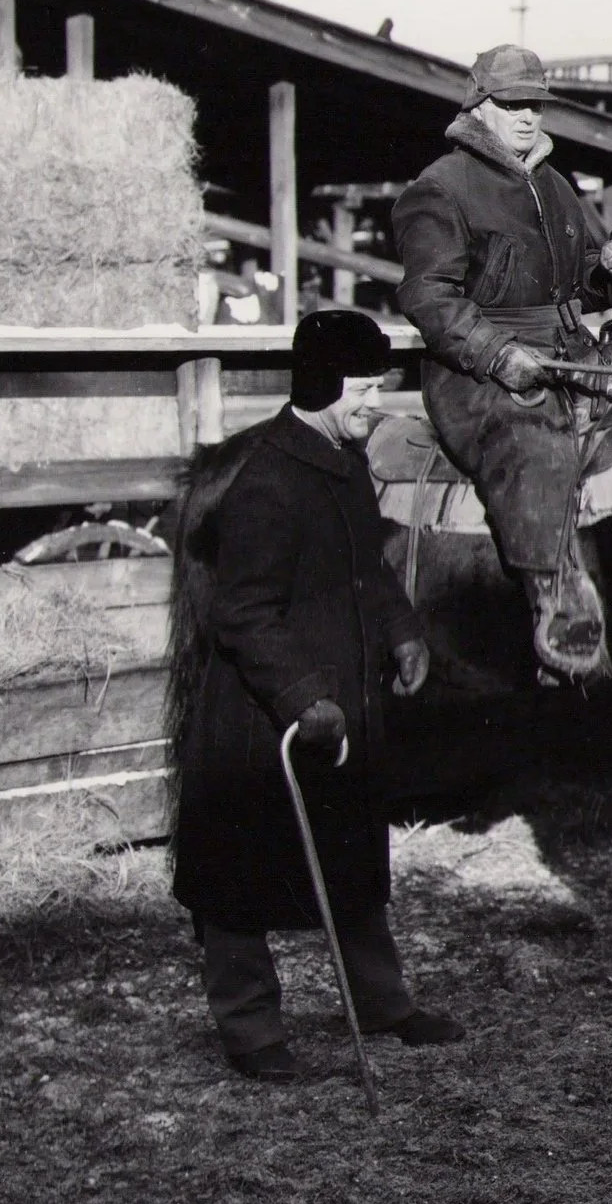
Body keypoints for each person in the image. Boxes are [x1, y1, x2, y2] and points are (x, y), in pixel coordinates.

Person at [170, 309, 463, 1083]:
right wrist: (303, 695)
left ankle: (383, 1002)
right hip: (263, 722)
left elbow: (364, 568)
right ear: (325, 386)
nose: (378, 404)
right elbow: (243, 613)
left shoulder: (339, 462)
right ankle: (252, 1034)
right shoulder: (266, 480)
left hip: (338, 710)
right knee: (238, 883)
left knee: (356, 864)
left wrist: (402, 631)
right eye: (366, 389)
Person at [390, 44, 612, 681]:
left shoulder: (556, 187)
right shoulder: (440, 188)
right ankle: (554, 603)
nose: (528, 116)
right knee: (536, 441)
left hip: (566, 353)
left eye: (535, 104)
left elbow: (580, 280)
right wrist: (498, 355)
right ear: (480, 107)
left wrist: (610, 269)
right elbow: (429, 296)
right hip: (472, 374)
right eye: (512, 104)